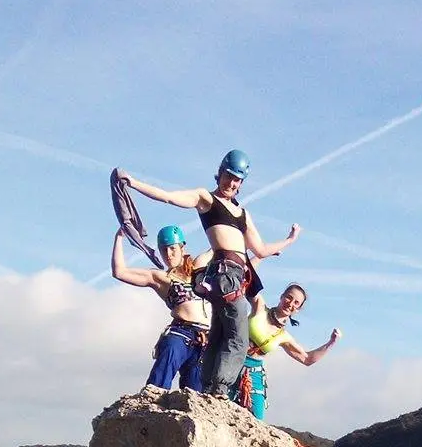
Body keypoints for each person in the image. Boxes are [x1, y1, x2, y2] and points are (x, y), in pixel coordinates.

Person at [116, 151, 300, 395]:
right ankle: (219, 389)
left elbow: (261, 249)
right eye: (228, 176)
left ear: (242, 184)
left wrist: (289, 240)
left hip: (234, 276)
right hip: (224, 274)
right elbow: (170, 197)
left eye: (237, 180)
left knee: (219, 334)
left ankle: (209, 386)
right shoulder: (207, 199)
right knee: (238, 338)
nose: (231, 183)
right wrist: (135, 183)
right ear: (220, 173)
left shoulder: (243, 214)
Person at [110, 224, 211, 390]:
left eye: (172, 249)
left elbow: (223, 245)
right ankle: (149, 406)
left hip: (204, 340)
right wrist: (119, 238)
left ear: (182, 247)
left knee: (197, 395)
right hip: (181, 333)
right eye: (163, 250)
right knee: (158, 385)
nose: (168, 254)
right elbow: (119, 272)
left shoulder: (200, 269)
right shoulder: (162, 277)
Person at [234, 284, 340, 424]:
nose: (290, 303)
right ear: (282, 296)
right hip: (232, 362)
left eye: (296, 302)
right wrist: (257, 260)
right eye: (289, 298)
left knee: (257, 418)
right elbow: (249, 283)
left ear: (298, 309)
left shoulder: (284, 337)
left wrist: (330, 343)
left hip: (254, 372)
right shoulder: (260, 308)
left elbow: (307, 359)